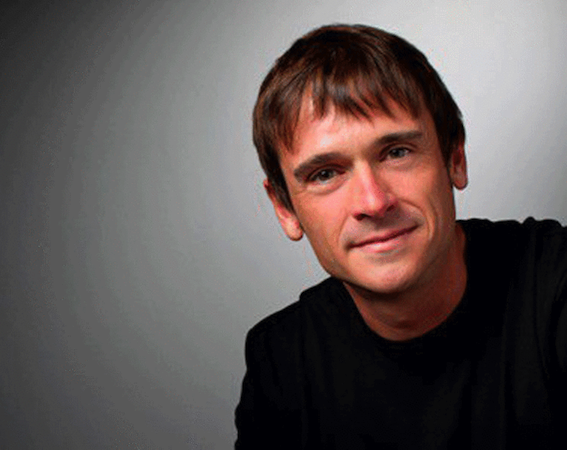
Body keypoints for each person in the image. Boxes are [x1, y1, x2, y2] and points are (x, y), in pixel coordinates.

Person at [235, 24, 567, 449]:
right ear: (285, 208)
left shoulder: (555, 284)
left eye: (396, 153)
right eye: (326, 174)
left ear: (455, 158)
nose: (373, 202)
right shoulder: (281, 361)